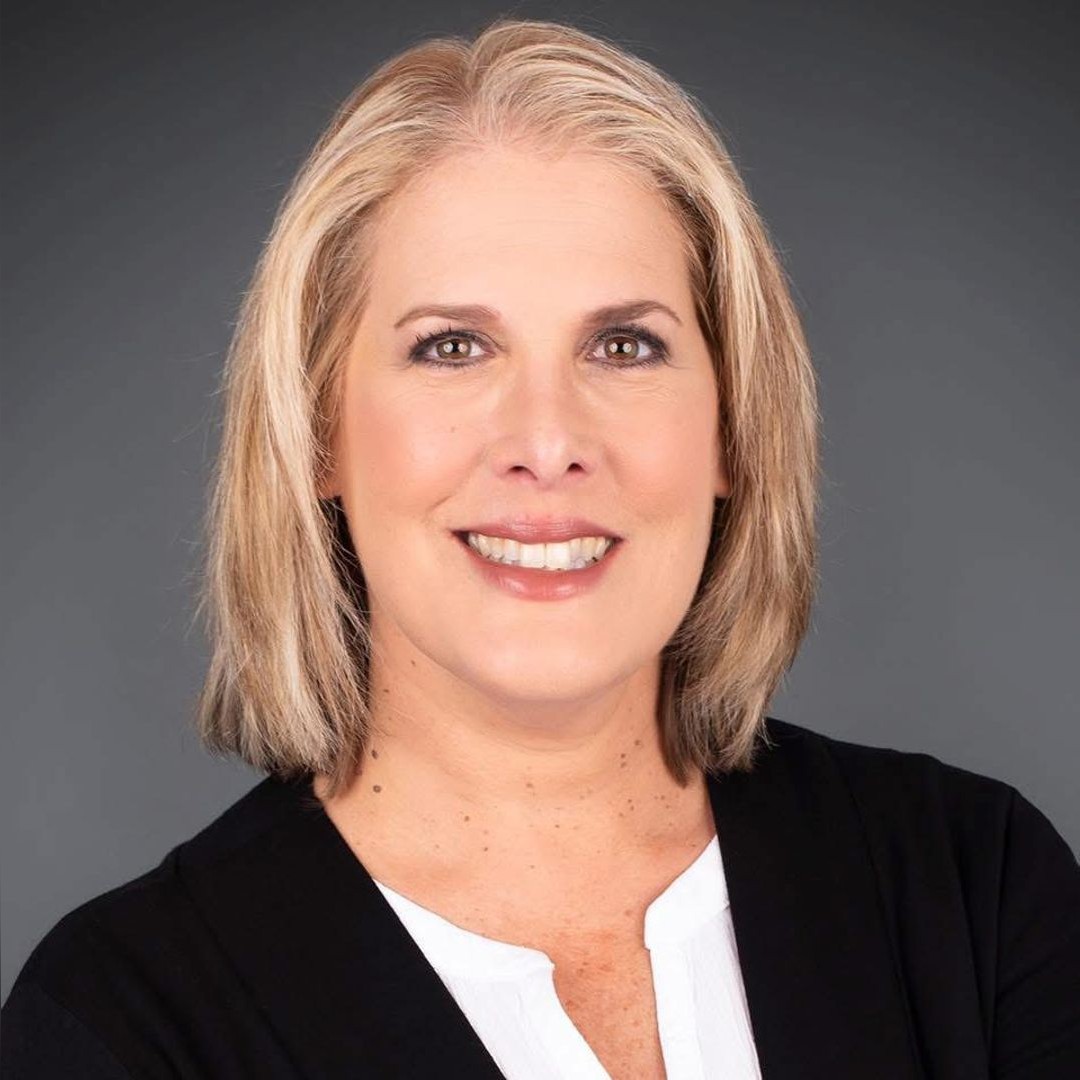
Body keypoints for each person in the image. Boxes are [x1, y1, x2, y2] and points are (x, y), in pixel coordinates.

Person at [2, 16, 1078, 1080]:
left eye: (625, 345)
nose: (548, 441)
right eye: (452, 347)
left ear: (732, 428)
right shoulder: (119, 1027)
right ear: (318, 431)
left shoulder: (975, 892)